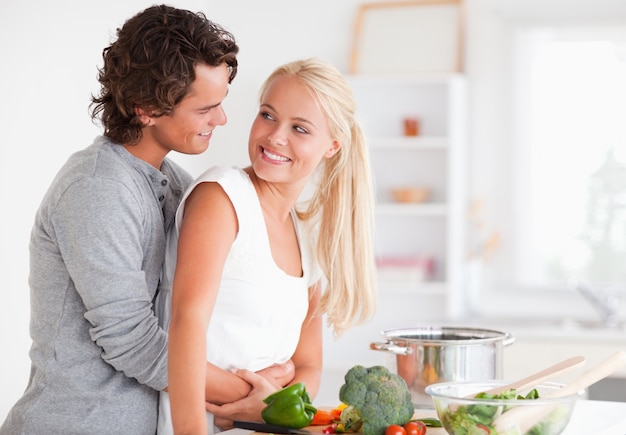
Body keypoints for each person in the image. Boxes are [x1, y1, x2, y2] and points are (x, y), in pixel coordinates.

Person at [0, 5, 245, 435]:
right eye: (206, 108)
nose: (221, 119)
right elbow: (134, 344)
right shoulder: (97, 188)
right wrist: (245, 396)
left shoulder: (172, 182)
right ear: (146, 108)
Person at [155, 57, 378, 435]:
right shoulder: (221, 197)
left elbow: (308, 366)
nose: (275, 136)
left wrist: (270, 408)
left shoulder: (307, 235)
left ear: (332, 146)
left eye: (300, 128)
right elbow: (185, 324)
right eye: (268, 115)